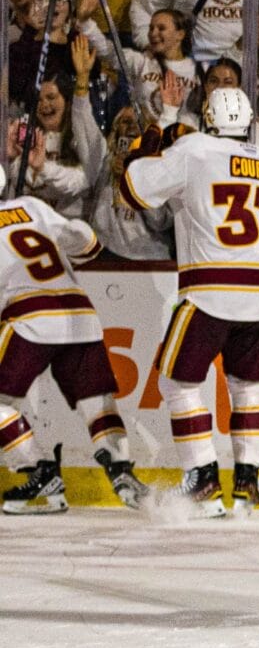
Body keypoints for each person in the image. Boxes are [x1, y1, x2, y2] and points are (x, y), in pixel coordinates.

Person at [117, 87, 259, 517]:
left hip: (212, 287)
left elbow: (134, 186)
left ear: (207, 118)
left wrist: (155, 131)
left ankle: (203, 478)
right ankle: (247, 480)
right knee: (248, 388)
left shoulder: (193, 149)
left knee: (176, 382)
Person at [0, 191, 142, 516]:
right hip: (79, 311)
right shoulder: (30, 205)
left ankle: (41, 471)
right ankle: (119, 465)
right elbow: (88, 246)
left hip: (30, 316)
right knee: (96, 400)